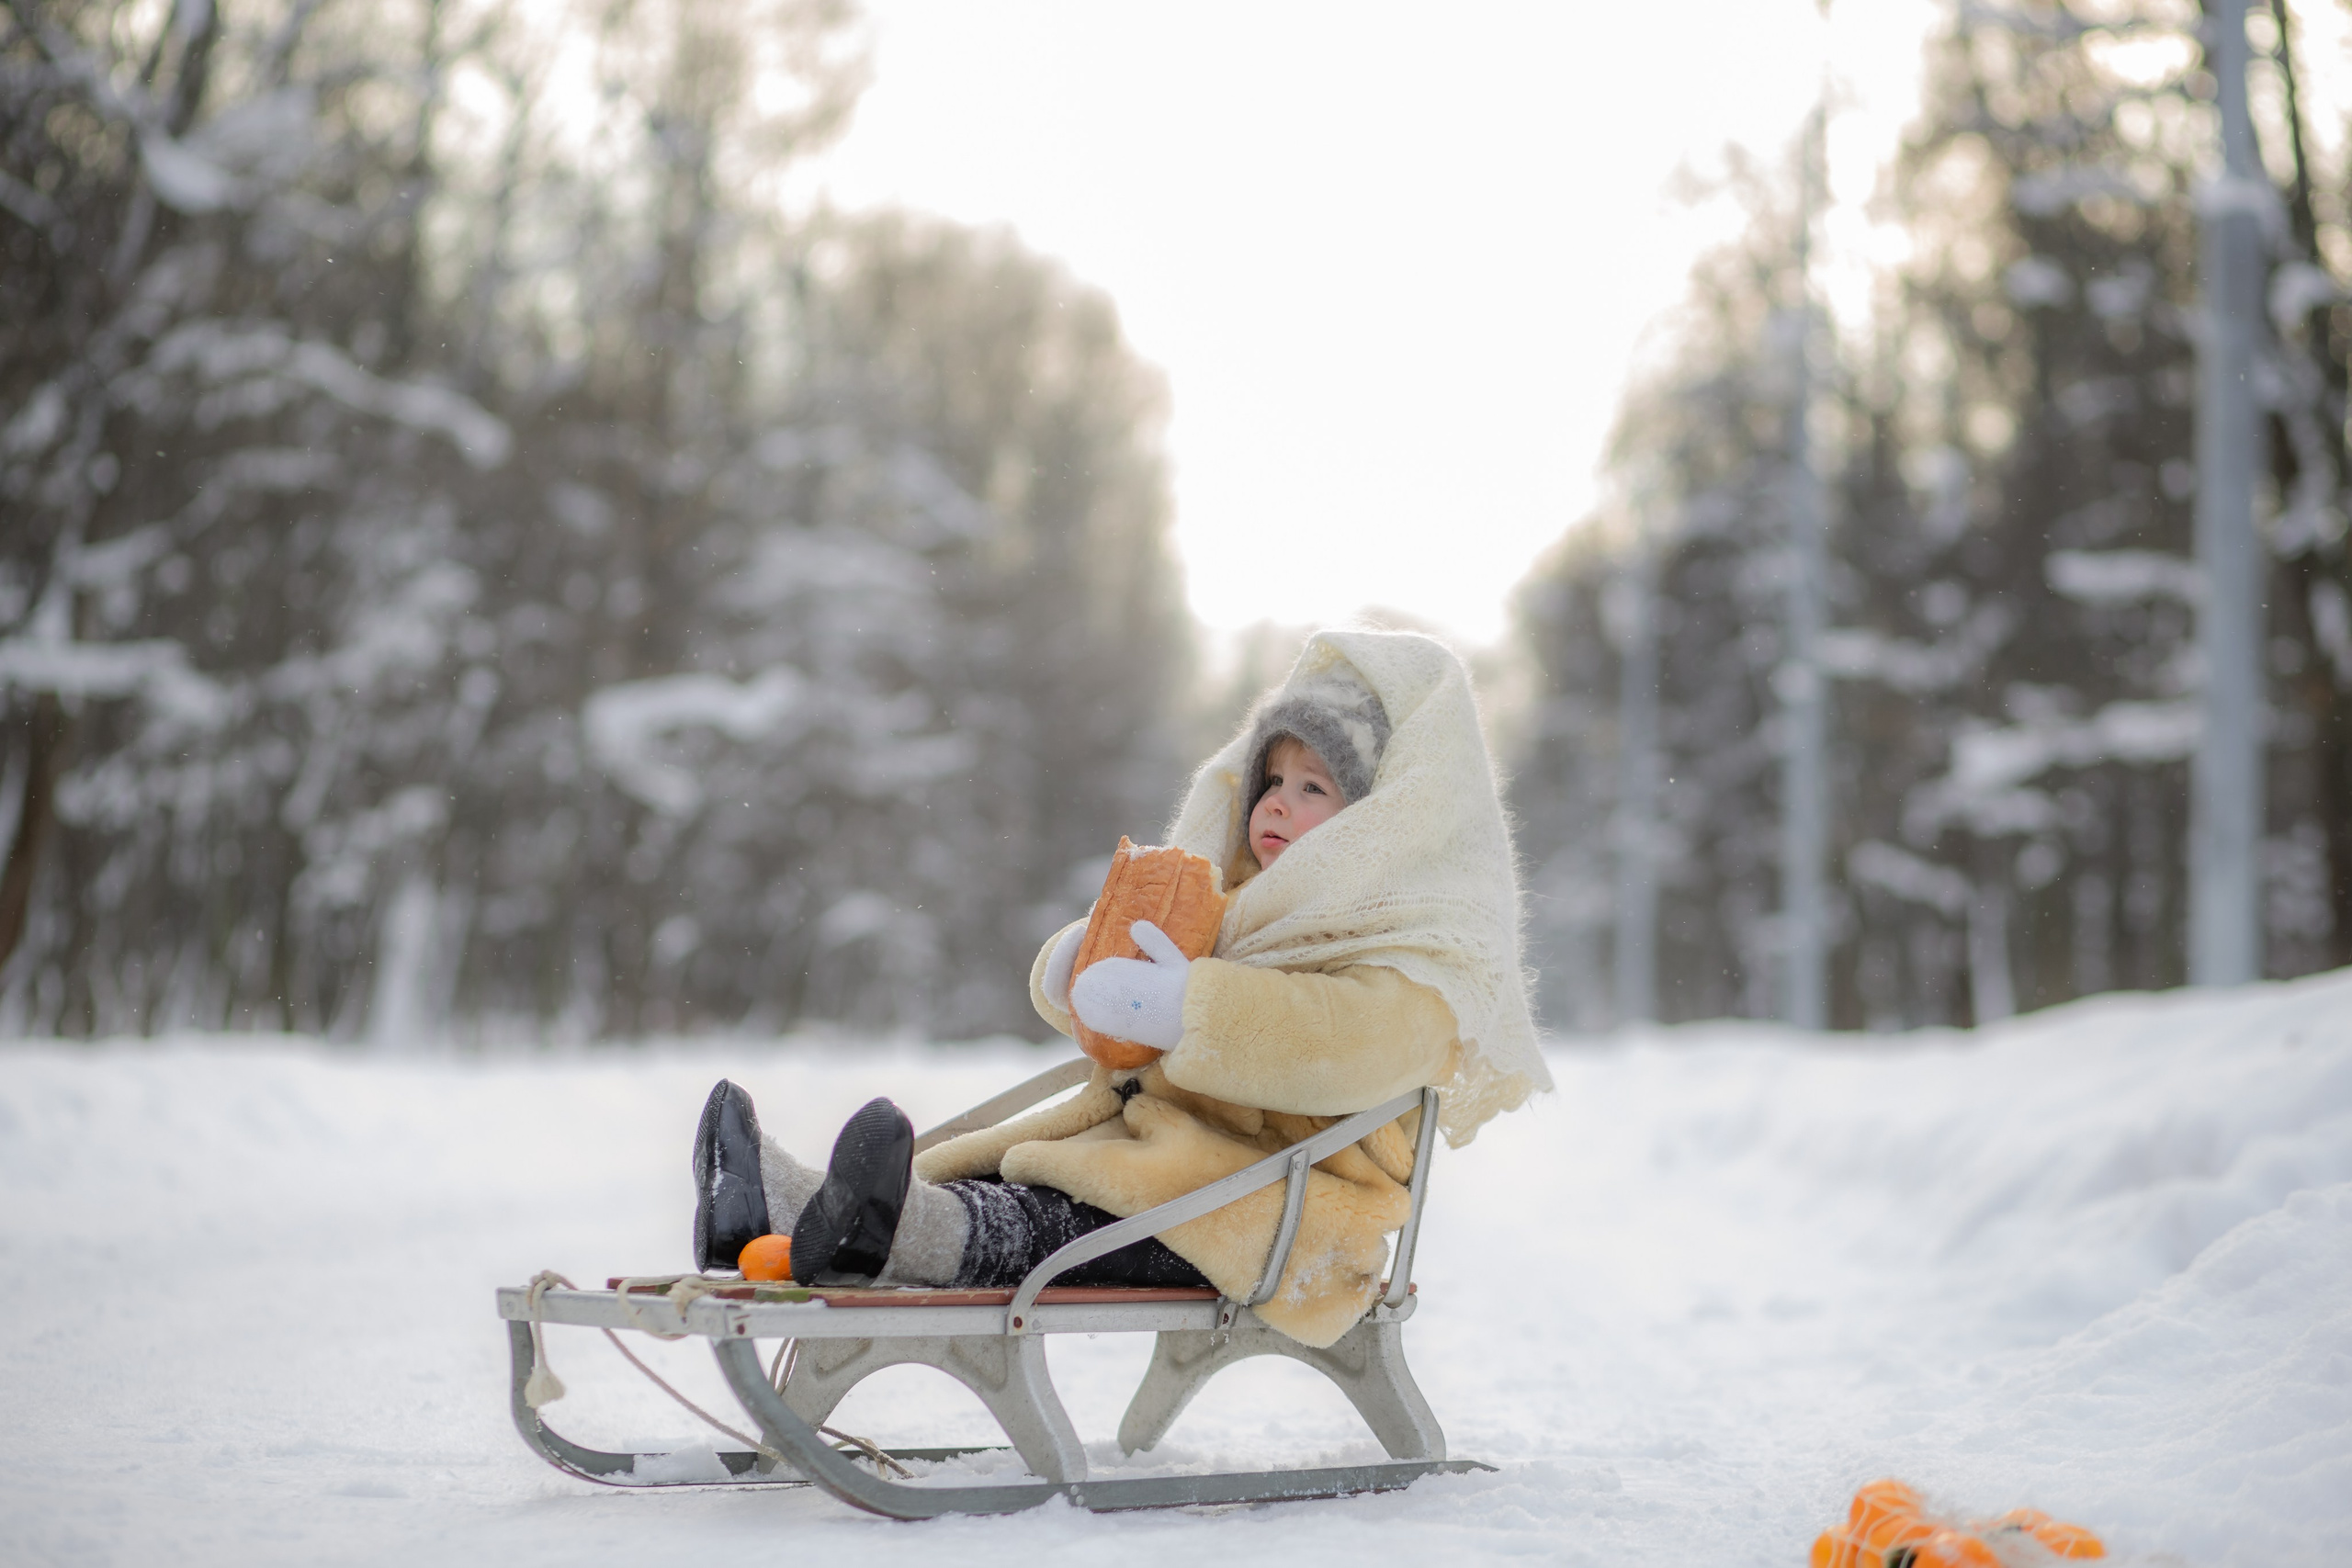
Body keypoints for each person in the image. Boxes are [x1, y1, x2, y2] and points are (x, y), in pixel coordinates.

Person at [691, 629, 1551, 1348]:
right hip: (1160, 1160)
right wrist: (1081, 968)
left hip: (1281, 1214)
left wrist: (1189, 1008)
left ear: (1382, 820)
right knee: (1022, 1184)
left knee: (1048, 1219)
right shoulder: (1247, 904)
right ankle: (786, 1210)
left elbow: (1344, 1041)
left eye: (1312, 787)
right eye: (1271, 782)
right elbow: (1134, 1007)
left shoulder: (1424, 954)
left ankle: (880, 1229)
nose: (1276, 805)